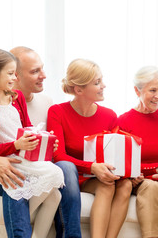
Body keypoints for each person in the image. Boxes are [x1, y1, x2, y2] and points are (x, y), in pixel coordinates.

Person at [0, 46, 64, 237]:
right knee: (20, 186)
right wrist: (15, 146)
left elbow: (28, 128)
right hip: (9, 162)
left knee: (55, 191)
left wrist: (44, 141)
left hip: (25, 159)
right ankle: (19, 225)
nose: (15, 78)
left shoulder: (17, 97)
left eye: (15, 73)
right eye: (10, 73)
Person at [47, 58, 132, 238]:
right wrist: (92, 167)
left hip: (99, 175)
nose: (103, 86)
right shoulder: (57, 112)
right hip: (73, 177)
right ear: (79, 90)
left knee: (121, 185)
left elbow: (116, 154)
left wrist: (130, 171)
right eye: (97, 82)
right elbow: (59, 156)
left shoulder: (109, 116)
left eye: (101, 80)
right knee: (107, 185)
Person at [117, 66, 158, 238]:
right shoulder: (123, 121)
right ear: (137, 91)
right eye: (152, 90)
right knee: (151, 187)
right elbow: (122, 163)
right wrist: (153, 168)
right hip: (140, 181)